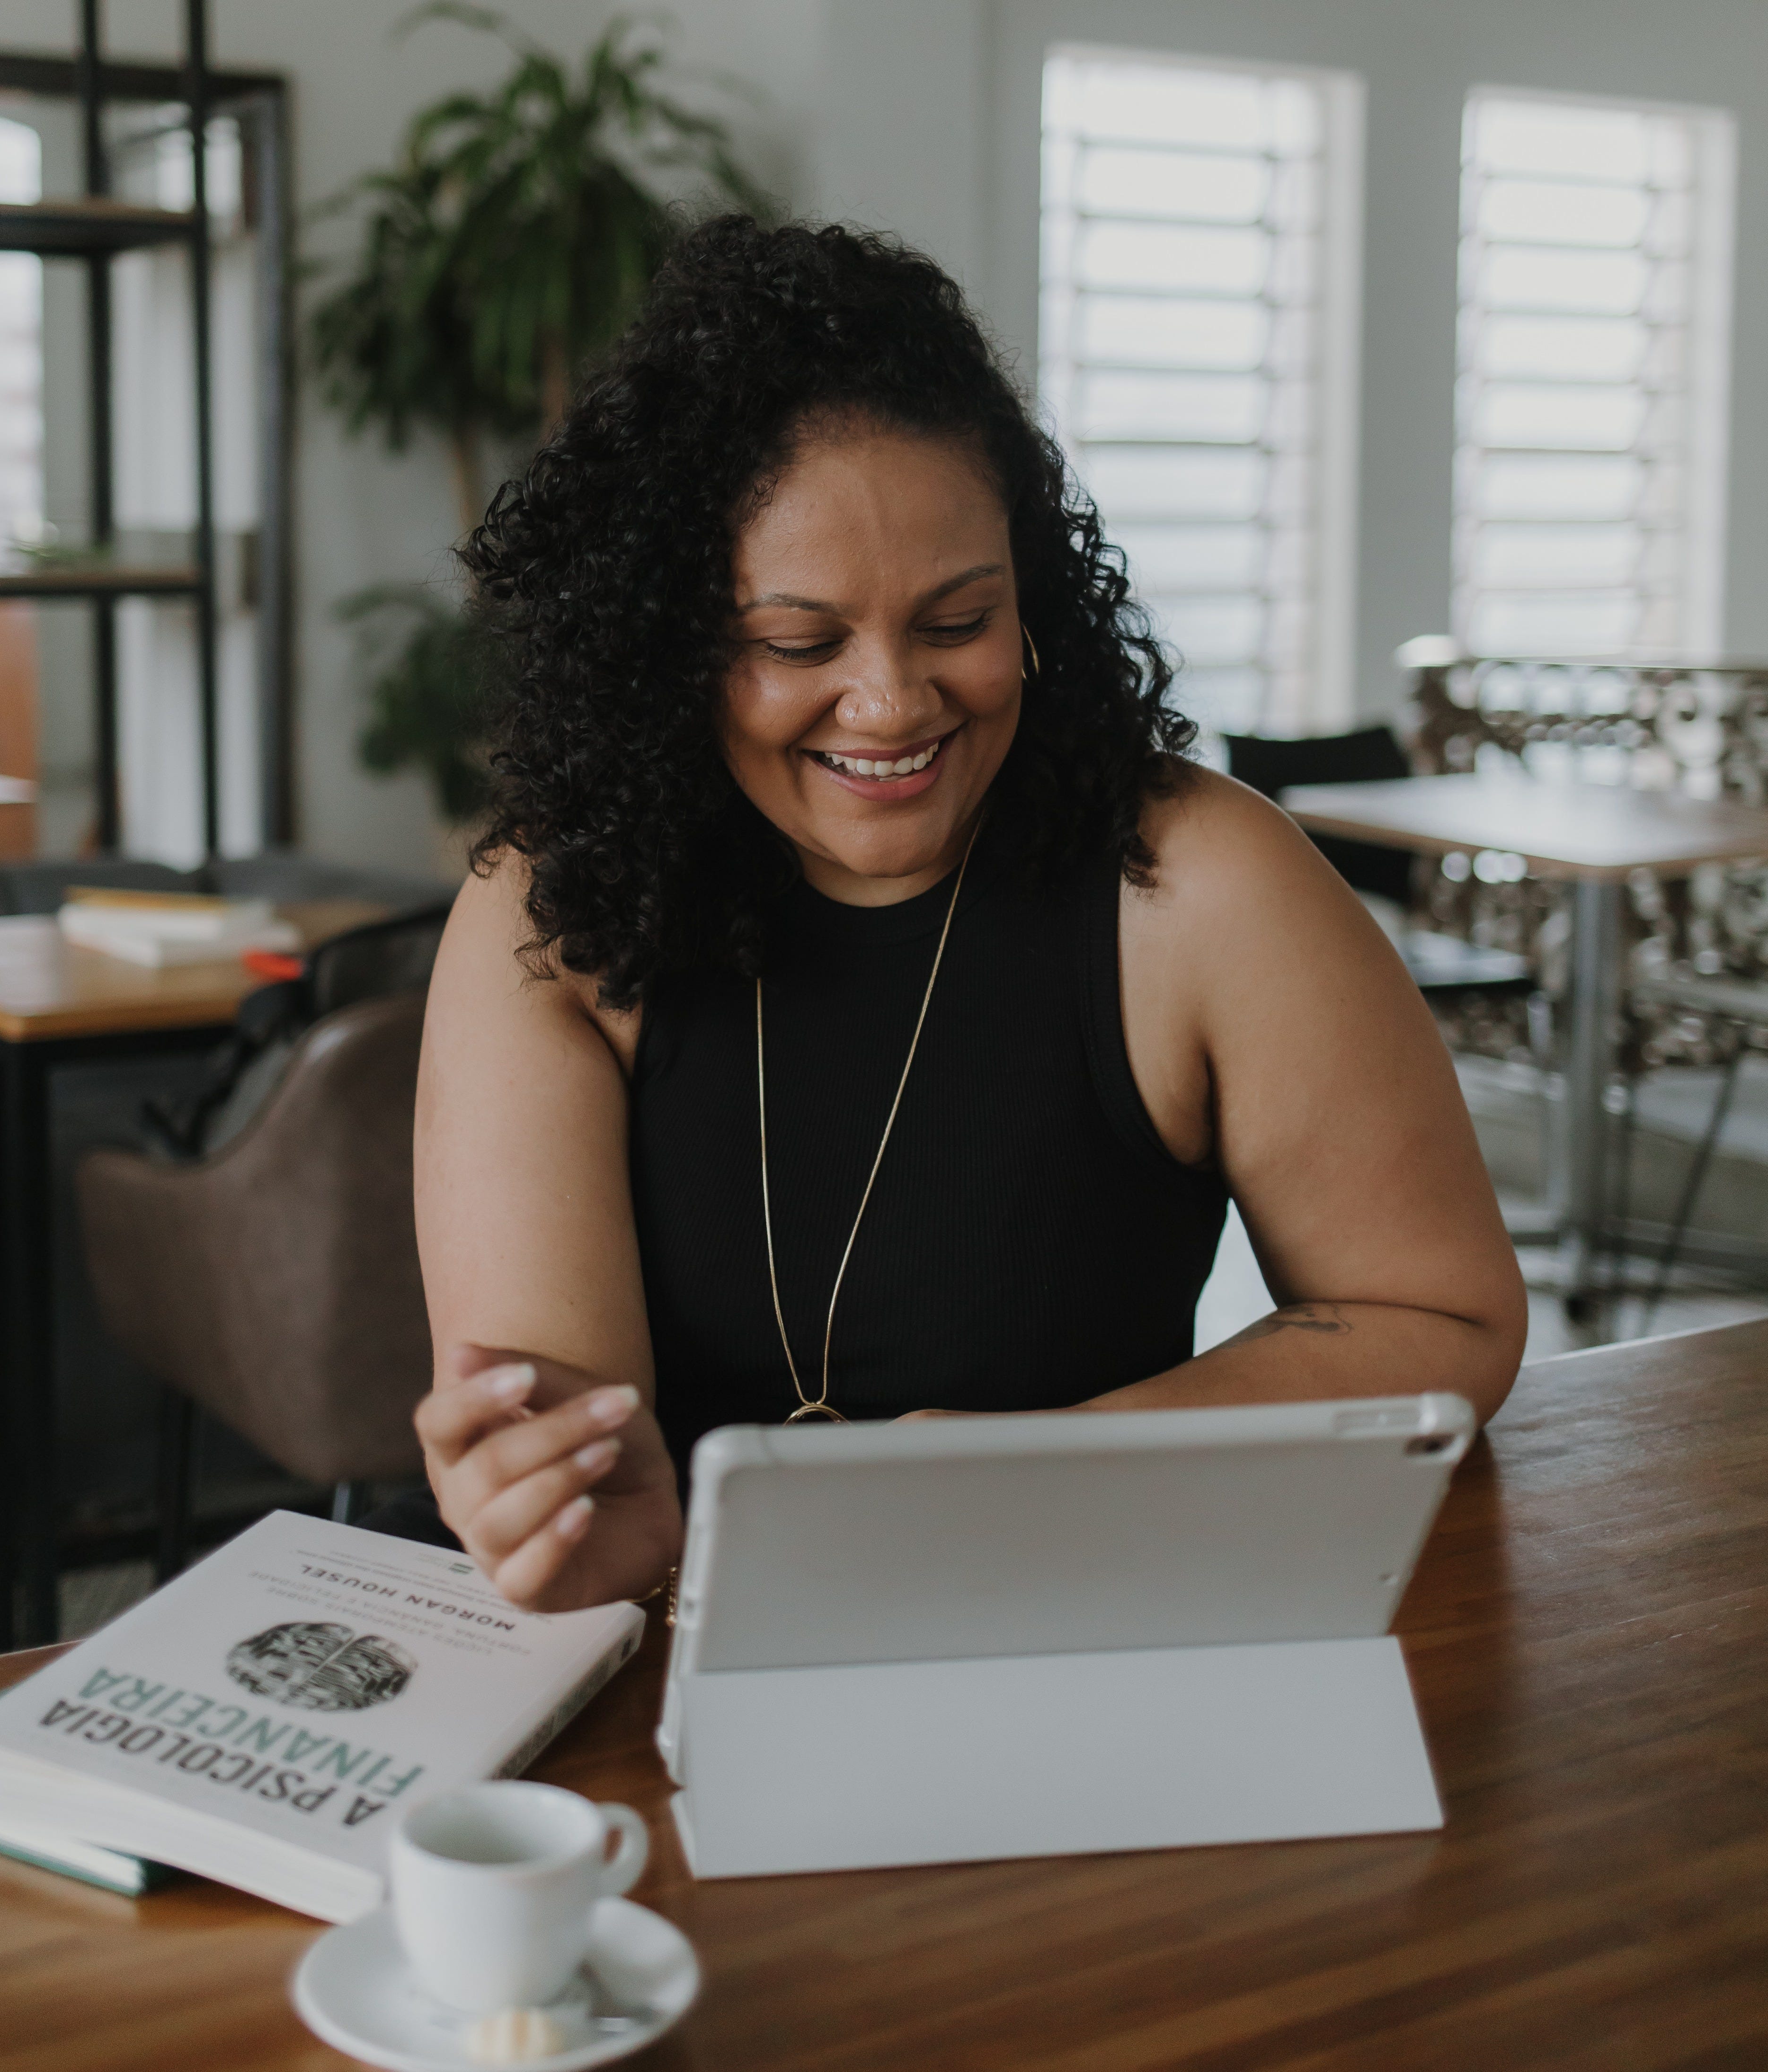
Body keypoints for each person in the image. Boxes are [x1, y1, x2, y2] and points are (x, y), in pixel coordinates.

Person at [405, 217, 1525, 1612]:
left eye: (957, 622)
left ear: (1033, 604)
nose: (892, 703)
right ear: (670, 648)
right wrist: (582, 1524)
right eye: (798, 644)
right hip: (680, 1652)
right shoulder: (546, 916)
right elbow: (569, 1454)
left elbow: (1447, 1319)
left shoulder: (1200, 884)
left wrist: (1029, 1473)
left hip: (1100, 1619)